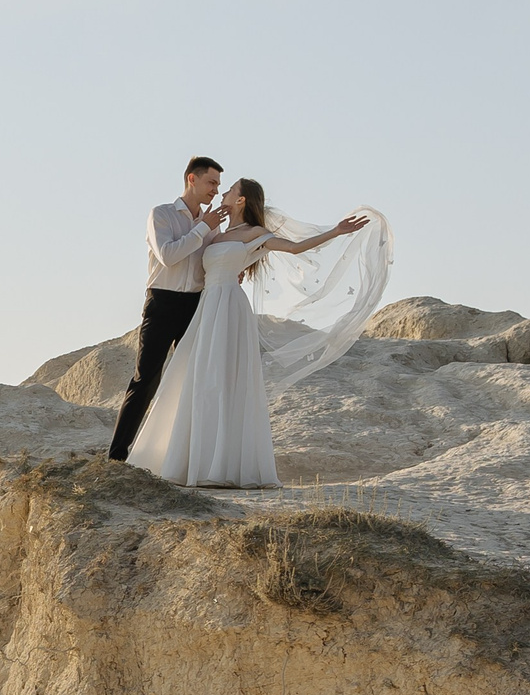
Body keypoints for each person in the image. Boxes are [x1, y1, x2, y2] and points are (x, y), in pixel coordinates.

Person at [125, 177, 371, 489]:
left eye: (229, 190)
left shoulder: (255, 233)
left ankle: (223, 465)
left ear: (241, 200)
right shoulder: (215, 233)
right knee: (198, 378)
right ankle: (192, 460)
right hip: (206, 306)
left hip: (229, 307)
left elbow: (294, 248)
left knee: (224, 378)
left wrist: (336, 231)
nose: (223, 191)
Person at [107, 156, 225, 461]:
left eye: (218, 185)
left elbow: (209, 262)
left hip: (195, 305)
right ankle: (117, 456)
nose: (215, 190)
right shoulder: (161, 214)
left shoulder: (210, 225)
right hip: (162, 301)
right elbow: (169, 255)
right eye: (212, 182)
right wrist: (201, 229)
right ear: (192, 179)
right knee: (146, 379)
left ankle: (186, 458)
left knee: (194, 380)